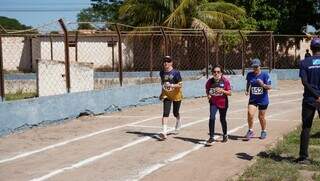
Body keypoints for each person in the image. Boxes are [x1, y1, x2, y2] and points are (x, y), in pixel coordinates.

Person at [296, 37, 320, 164]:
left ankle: (303, 157)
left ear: (311, 48)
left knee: (306, 127)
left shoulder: (304, 63)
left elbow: (304, 82)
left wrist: (316, 95)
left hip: (309, 99)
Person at [244, 58, 272, 140]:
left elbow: (269, 87)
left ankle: (263, 131)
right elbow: (248, 83)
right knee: (250, 114)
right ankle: (250, 131)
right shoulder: (249, 75)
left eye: (256, 67)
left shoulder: (265, 75)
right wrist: (246, 90)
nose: (255, 68)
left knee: (261, 117)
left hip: (263, 100)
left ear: (260, 66)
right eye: (253, 67)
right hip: (253, 99)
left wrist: (262, 84)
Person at [205, 65, 231, 145]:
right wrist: (208, 95)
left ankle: (225, 134)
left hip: (223, 103)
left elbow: (229, 93)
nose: (216, 73)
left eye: (218, 72)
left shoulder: (225, 81)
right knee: (212, 117)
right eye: (214, 72)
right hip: (213, 103)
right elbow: (207, 90)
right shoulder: (209, 81)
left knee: (222, 119)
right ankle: (211, 137)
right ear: (212, 73)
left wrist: (222, 91)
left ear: (221, 73)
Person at [159, 56, 183, 140]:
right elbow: (163, 84)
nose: (166, 63)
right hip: (167, 95)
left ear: (171, 63)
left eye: (168, 61)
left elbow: (180, 84)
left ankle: (178, 121)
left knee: (175, 113)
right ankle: (164, 131)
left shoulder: (176, 72)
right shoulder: (162, 73)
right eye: (164, 61)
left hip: (176, 95)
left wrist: (172, 85)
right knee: (165, 113)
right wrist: (162, 94)